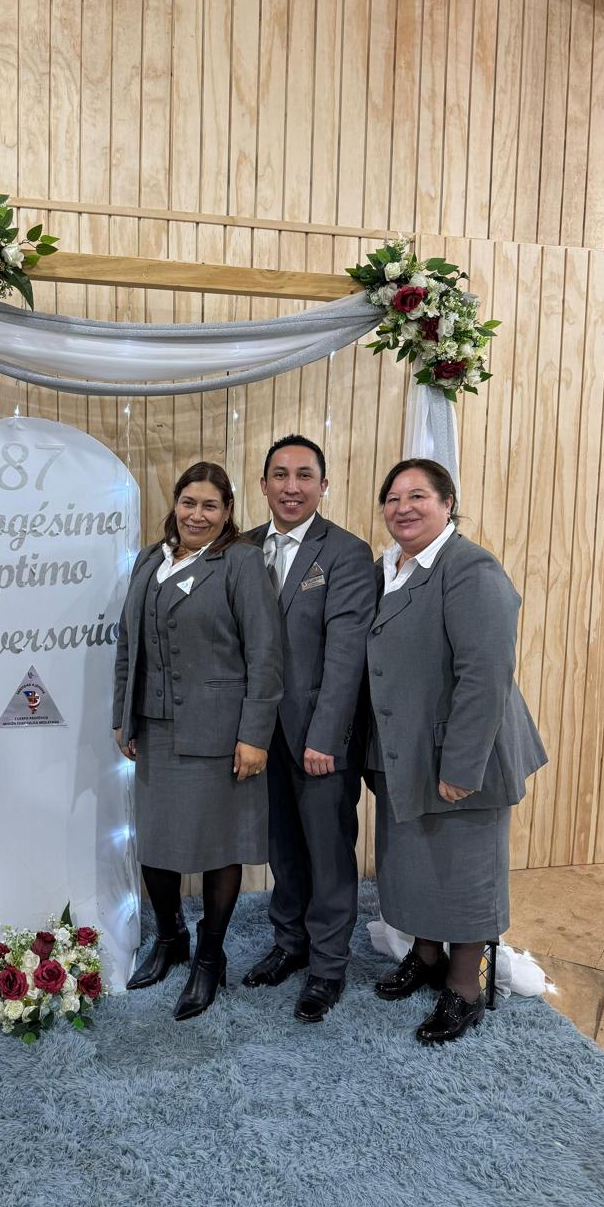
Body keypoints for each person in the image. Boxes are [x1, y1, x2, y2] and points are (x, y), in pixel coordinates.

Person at [366, 458, 547, 1044]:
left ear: (448, 504)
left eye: (418, 496)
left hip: (462, 753)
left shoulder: (471, 569)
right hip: (406, 748)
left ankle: (466, 987)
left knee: (466, 870)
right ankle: (426, 956)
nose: (404, 508)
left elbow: (485, 674)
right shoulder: (390, 568)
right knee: (418, 861)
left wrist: (462, 765)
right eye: (393, 498)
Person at [113, 461, 283, 1021]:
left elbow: (265, 653)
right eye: (189, 502)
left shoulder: (240, 562)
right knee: (156, 845)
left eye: (210, 505)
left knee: (217, 847)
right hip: (155, 728)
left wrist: (254, 735)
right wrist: (123, 717)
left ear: (227, 511)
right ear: (175, 504)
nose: (197, 514)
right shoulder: (149, 559)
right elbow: (127, 645)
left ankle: (211, 957)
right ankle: (171, 938)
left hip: (220, 733)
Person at [241, 435, 377, 1022]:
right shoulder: (242, 548)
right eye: (280, 474)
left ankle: (327, 966)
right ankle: (290, 942)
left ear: (324, 485)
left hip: (319, 736)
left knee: (328, 852)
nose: (291, 486)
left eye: (304, 475)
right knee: (282, 847)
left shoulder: (345, 552)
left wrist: (327, 735)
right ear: (263, 484)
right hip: (257, 734)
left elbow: (347, 655)